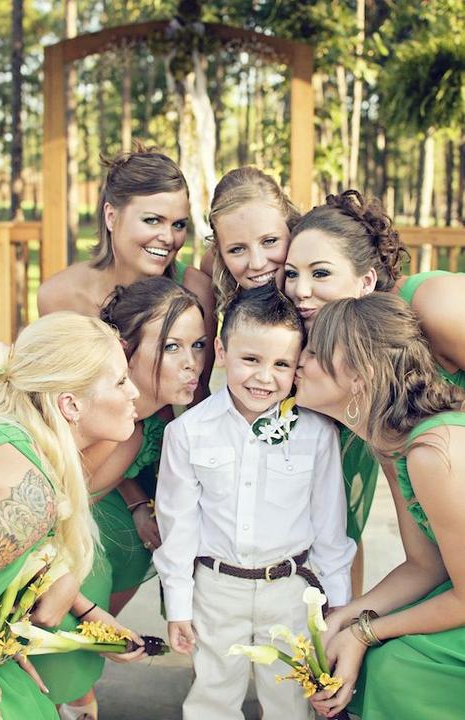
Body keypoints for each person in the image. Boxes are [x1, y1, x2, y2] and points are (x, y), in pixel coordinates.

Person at [154, 284, 356, 720]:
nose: (265, 378)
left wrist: (337, 605)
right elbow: (178, 526)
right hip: (216, 587)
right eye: (251, 359)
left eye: (281, 364)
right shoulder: (187, 432)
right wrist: (179, 604)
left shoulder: (316, 433)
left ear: (297, 366)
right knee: (212, 695)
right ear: (222, 352)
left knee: (290, 700)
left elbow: (329, 527)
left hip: (290, 588)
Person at [32, 278, 207, 719]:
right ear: (126, 349)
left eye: (199, 345)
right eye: (172, 347)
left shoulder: (141, 424)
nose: (192, 363)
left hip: (60, 538)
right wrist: (91, 613)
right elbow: (40, 526)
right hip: (30, 553)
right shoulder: (102, 421)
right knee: (89, 580)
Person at [294, 293, 465, 720]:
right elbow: (426, 566)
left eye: (313, 352)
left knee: (395, 667)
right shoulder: (392, 444)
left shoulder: (433, 453)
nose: (298, 361)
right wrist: (347, 616)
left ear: (360, 375)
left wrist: (364, 633)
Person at [284, 189, 465, 592]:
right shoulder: (368, 377)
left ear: (366, 280)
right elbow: (422, 562)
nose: (300, 290)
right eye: (292, 274)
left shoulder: (434, 305)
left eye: (320, 273)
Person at [0, 313, 144, 720]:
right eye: (121, 381)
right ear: (70, 404)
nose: (135, 392)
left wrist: (87, 611)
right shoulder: (28, 493)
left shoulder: (30, 453)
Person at [37, 144, 215, 392]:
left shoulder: (197, 290)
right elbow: (56, 397)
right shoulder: (59, 297)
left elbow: (198, 395)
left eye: (178, 225)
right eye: (152, 220)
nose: (169, 238)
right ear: (111, 216)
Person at [205, 166, 300, 312]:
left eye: (269, 241)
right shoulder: (208, 278)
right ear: (221, 255)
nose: (257, 264)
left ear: (291, 228)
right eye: (237, 249)